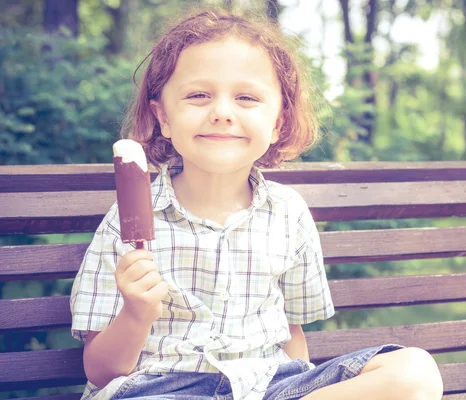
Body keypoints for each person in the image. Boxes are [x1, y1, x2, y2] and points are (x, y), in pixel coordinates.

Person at [70, 8, 443, 400]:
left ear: (278, 121)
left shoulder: (288, 213)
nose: (222, 113)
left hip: (268, 385)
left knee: (414, 372)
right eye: (198, 95)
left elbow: (293, 337)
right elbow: (100, 371)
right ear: (162, 116)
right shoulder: (123, 225)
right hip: (162, 386)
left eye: (246, 97)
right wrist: (136, 314)